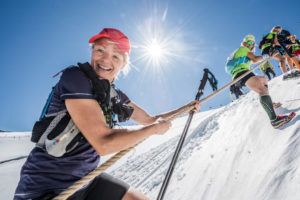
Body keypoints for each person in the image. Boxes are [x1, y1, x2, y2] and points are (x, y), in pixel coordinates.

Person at [14, 28, 201, 200]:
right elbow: (104, 143)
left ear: (124, 63)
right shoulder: (75, 79)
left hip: (84, 182)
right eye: (100, 50)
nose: (105, 60)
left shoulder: (115, 96)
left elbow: (151, 120)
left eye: (115, 56)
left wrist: (185, 108)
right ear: (92, 51)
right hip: (44, 189)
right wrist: (152, 130)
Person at [226, 34, 293, 129]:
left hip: (241, 73)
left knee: (264, 79)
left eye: (253, 43)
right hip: (241, 73)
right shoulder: (243, 49)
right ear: (244, 43)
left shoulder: (245, 54)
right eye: (249, 42)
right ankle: (274, 120)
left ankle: (270, 103)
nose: (251, 45)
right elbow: (254, 59)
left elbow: (253, 61)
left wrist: (266, 56)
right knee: (263, 91)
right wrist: (265, 56)